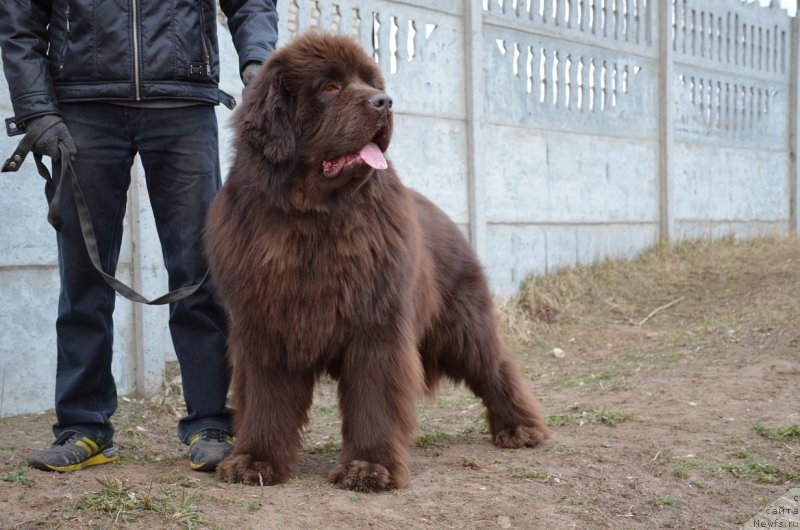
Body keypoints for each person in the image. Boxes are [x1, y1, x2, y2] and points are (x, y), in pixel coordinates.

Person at [0, 1, 278, 472]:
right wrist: (36, 110)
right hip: (83, 104)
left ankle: (211, 422)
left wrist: (258, 63)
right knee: (83, 278)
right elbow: (18, 18)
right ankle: (83, 426)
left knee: (200, 273)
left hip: (183, 102)